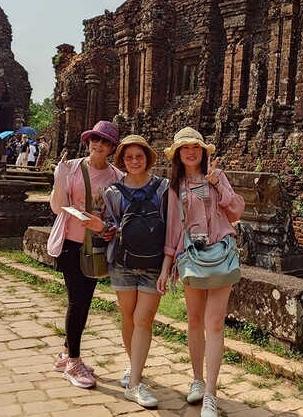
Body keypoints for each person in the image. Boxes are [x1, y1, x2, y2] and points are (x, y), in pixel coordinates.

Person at [156, 127, 244, 417]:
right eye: (185, 148)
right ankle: (196, 379)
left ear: (203, 152)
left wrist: (219, 185)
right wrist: (166, 266)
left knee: (215, 323)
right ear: (178, 155)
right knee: (194, 320)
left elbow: (236, 211)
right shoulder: (175, 185)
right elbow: (171, 228)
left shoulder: (216, 177)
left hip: (220, 253)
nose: (191, 152)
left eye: (196, 147)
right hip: (191, 256)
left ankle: (210, 393)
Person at [47, 120, 123, 388]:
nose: (98, 145)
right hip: (71, 242)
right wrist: (60, 179)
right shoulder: (72, 168)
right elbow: (57, 207)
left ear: (112, 148)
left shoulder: (116, 177)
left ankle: (65, 354)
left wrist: (106, 226)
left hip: (97, 244)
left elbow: (117, 215)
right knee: (76, 301)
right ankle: (74, 362)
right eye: (95, 139)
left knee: (86, 300)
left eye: (104, 142)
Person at [102, 135, 169, 408]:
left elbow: (172, 225)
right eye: (128, 158)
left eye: (139, 156)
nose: (134, 161)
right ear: (122, 161)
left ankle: (134, 384)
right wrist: (106, 229)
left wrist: (169, 263)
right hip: (123, 263)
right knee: (128, 317)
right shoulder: (113, 192)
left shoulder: (164, 188)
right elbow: (112, 223)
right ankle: (135, 368)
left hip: (154, 264)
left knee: (144, 320)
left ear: (148, 158)